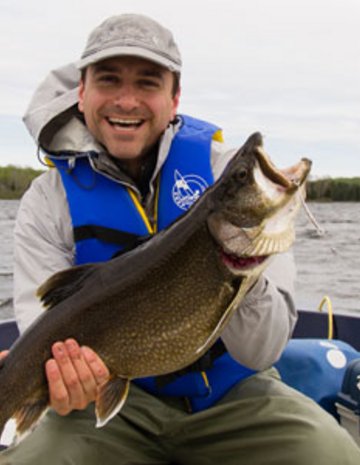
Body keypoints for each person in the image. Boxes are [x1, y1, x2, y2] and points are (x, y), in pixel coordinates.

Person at [1, 13, 359, 465]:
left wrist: (242, 264)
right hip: (106, 408)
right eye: (109, 80)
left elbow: (261, 350)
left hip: (232, 394)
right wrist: (64, 381)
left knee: (332, 455)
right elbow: (41, 324)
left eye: (148, 83)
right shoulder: (47, 200)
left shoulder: (219, 170)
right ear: (82, 92)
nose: (127, 101)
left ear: (174, 99)